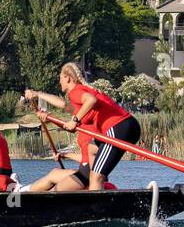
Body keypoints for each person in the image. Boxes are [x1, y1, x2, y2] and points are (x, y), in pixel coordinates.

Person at [24, 61, 141, 192]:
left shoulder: (77, 91)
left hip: (120, 125)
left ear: (67, 78)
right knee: (91, 148)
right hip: (127, 126)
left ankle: (96, 206)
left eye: (60, 78)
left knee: (96, 177)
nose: (59, 82)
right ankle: (95, 185)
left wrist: (75, 119)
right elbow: (64, 106)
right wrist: (39, 97)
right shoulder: (79, 102)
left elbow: (91, 100)